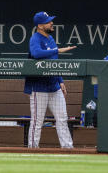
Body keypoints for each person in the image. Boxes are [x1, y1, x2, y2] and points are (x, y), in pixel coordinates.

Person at [25, 11, 75, 149]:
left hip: (54, 86)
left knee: (62, 118)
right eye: (48, 21)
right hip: (39, 87)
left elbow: (54, 62)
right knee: (37, 121)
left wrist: (61, 80)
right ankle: (32, 149)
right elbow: (36, 53)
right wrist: (57, 50)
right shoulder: (35, 38)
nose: (51, 23)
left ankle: (68, 148)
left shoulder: (51, 39)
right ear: (40, 26)